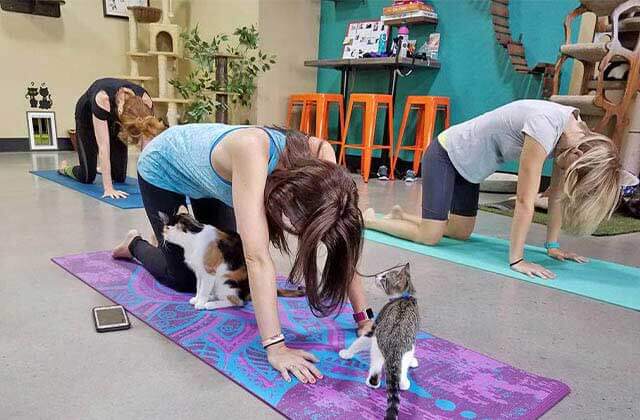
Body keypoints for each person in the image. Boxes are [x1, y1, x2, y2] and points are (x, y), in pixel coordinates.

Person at [112, 123, 372, 384]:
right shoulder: (251, 149)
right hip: (164, 168)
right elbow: (257, 257)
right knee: (185, 280)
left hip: (213, 182)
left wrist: (364, 319)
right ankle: (135, 244)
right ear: (293, 199)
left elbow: (342, 244)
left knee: (227, 275)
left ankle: (168, 241)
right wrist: (276, 347)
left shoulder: (322, 155)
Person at [365, 100, 623, 279]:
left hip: (470, 169)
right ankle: (371, 220)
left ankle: (402, 217)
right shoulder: (545, 127)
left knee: (460, 232)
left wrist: (552, 245)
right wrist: (517, 259)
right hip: (445, 154)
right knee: (431, 236)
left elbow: (555, 194)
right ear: (577, 154)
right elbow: (524, 200)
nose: (565, 172)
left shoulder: (577, 133)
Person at [58, 78, 162, 199]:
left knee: (119, 177)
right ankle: (64, 169)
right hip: (86, 118)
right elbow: (103, 147)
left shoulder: (145, 101)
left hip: (115, 118)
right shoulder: (102, 98)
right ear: (120, 111)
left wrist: (156, 184)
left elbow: (149, 145)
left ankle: (102, 168)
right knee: (87, 176)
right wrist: (108, 188)